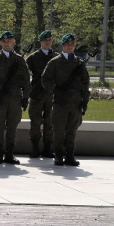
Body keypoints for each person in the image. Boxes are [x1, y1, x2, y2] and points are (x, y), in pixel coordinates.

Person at [0, 30, 32, 164]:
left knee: (12, 127)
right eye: (4, 41)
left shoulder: (20, 60)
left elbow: (26, 80)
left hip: (15, 99)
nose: (6, 43)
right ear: (0, 43)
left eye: (9, 41)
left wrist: (25, 97)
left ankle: (9, 154)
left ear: (13, 42)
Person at [41, 33, 90, 166]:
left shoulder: (79, 63)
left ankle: (70, 155)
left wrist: (85, 101)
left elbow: (86, 83)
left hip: (75, 102)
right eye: (67, 44)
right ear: (63, 45)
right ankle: (58, 156)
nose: (70, 46)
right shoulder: (55, 62)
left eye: (72, 44)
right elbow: (45, 80)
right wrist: (56, 90)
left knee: (72, 130)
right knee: (59, 130)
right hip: (60, 103)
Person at [26, 30, 56, 158]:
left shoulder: (56, 57)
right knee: (35, 121)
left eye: (49, 40)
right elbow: (24, 74)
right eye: (45, 40)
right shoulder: (33, 58)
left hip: (51, 93)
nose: (48, 42)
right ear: (40, 42)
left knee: (50, 121)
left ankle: (48, 148)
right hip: (37, 93)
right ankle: (35, 148)